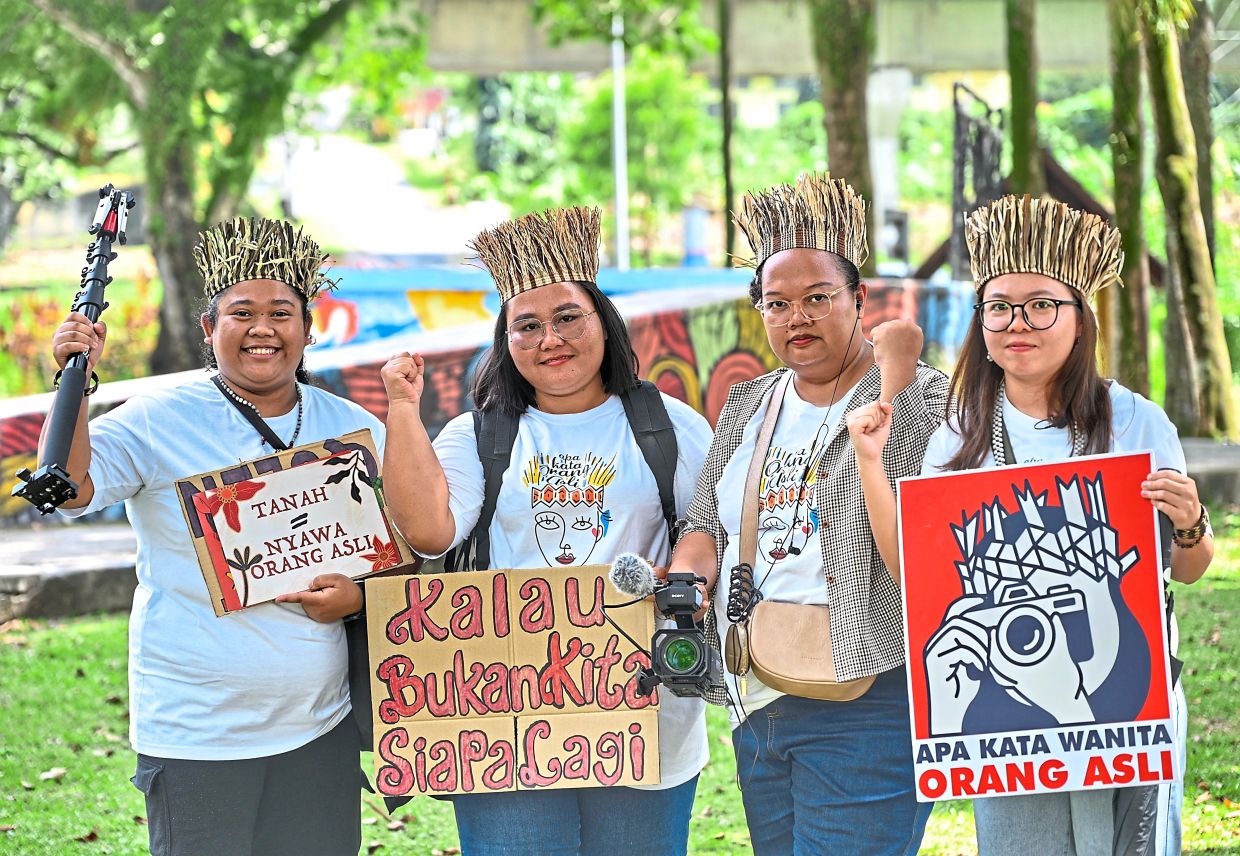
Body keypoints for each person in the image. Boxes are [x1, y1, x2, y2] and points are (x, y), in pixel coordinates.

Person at [848, 195, 1213, 855]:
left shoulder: (1136, 422)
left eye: (1041, 305)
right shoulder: (959, 433)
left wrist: (1189, 523)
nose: (1018, 323)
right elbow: (914, 572)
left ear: (1080, 317)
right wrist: (872, 464)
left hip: (1130, 702)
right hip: (1007, 714)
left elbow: (1186, 568)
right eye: (999, 308)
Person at [379, 206, 711, 856]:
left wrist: (687, 581)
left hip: (646, 718)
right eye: (527, 326)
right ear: (505, 339)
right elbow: (428, 534)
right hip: (505, 722)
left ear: (603, 321)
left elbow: (709, 532)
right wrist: (400, 408)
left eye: (567, 318)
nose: (549, 339)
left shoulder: (671, 426)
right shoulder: (477, 433)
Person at [47, 216, 382, 856]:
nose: (263, 328)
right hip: (197, 734)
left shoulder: (355, 428)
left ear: (307, 328)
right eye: (242, 313)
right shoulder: (157, 419)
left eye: (281, 313)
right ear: (209, 328)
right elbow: (69, 489)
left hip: (321, 729)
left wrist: (359, 599)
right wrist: (75, 384)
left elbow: (404, 554)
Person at [666, 172, 948, 855]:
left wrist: (897, 384)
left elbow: (931, 546)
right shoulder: (750, 402)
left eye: (818, 297)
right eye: (778, 303)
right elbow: (705, 523)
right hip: (758, 690)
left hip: (870, 691)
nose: (798, 318)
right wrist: (686, 584)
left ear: (858, 299)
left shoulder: (920, 398)